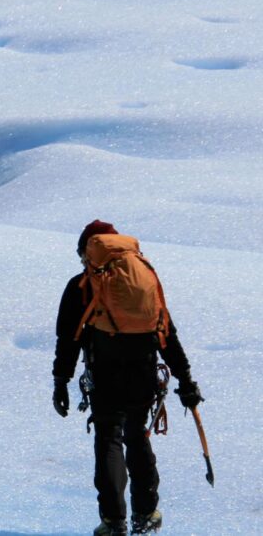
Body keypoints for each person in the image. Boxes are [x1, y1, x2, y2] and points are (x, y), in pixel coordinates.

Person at [52, 220, 203, 536]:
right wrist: (185, 380)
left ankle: (113, 522)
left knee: (109, 440)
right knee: (138, 438)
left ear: (88, 252)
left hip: (104, 375)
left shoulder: (80, 287)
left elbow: (69, 339)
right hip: (144, 372)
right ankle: (145, 516)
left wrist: (61, 381)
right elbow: (166, 335)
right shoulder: (144, 283)